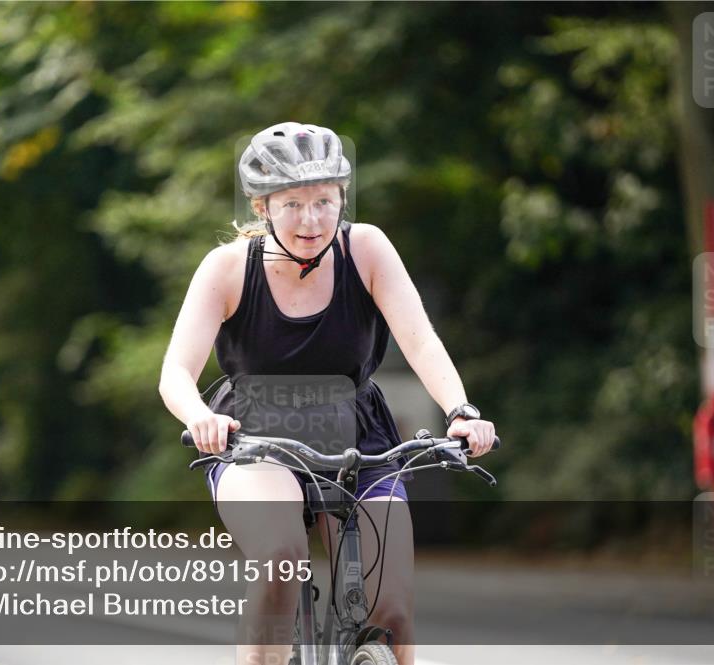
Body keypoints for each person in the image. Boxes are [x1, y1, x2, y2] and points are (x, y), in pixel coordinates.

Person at [159, 122, 496, 665]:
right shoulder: (227, 269)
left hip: (358, 436)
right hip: (255, 440)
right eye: (292, 204)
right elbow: (176, 370)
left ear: (342, 198)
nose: (311, 220)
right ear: (263, 206)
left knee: (392, 615)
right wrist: (200, 416)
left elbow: (420, 341)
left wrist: (461, 410)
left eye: (324, 201)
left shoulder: (367, 250)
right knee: (280, 558)